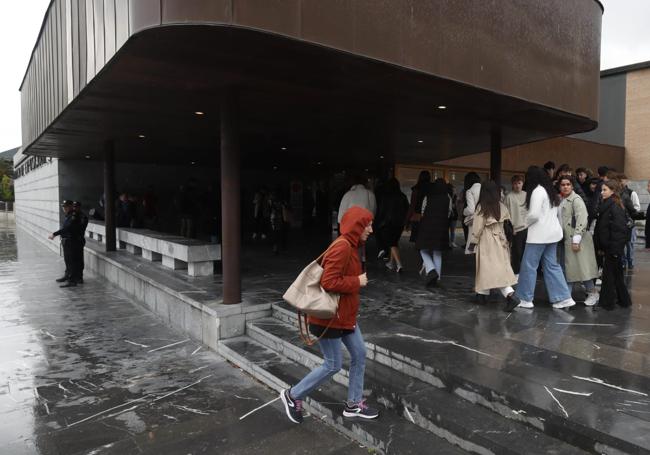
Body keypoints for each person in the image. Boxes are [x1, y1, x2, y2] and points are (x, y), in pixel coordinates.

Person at [280, 206, 379, 423]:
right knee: (332, 365)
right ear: (356, 226)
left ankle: (353, 404)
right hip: (330, 319)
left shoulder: (353, 246)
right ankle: (292, 395)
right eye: (367, 224)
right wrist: (357, 282)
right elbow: (328, 282)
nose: (371, 229)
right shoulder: (343, 247)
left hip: (345, 317)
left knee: (360, 354)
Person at [515, 166, 576, 309]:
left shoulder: (537, 191)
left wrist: (523, 225)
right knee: (552, 265)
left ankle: (525, 298)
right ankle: (563, 298)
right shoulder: (550, 191)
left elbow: (534, 215)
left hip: (539, 236)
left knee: (528, 266)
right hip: (552, 234)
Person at [467, 181, 519, 311]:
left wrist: (472, 243)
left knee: (489, 268)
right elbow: (508, 224)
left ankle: (510, 295)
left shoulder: (482, 207)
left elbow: (478, 228)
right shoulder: (501, 206)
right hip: (500, 240)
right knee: (493, 268)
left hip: (487, 240)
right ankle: (482, 294)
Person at [557, 177, 599, 306]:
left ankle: (592, 293)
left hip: (576, 239)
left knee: (582, 268)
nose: (565, 187)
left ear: (572, 186)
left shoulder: (576, 200)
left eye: (568, 184)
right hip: (567, 239)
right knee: (571, 269)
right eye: (563, 184)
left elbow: (582, 219)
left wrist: (576, 240)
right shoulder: (563, 200)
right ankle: (567, 296)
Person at [594, 179, 632, 309]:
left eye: (605, 190)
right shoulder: (607, 205)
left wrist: (615, 250)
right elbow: (603, 228)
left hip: (613, 248)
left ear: (613, 191)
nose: (602, 192)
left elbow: (619, 230)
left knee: (609, 276)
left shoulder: (615, 206)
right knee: (616, 275)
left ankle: (607, 303)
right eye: (601, 190)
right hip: (609, 247)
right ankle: (624, 301)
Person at [416, 178, 452, 287]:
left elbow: (422, 211)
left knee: (422, 249)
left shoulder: (428, 196)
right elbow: (449, 212)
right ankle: (438, 278)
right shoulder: (448, 197)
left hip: (427, 225)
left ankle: (431, 270)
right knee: (437, 252)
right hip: (442, 227)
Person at [375, 178, 408, 272]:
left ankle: (399, 264)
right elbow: (407, 209)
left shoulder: (386, 196)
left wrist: (378, 221)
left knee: (392, 243)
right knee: (394, 242)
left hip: (388, 223)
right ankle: (391, 263)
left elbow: (382, 210)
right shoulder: (403, 196)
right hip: (400, 223)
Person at [48, 200, 83, 288]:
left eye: (66, 206)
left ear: (71, 206)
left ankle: (72, 280)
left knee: (72, 261)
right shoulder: (69, 215)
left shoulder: (73, 216)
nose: (64, 208)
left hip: (72, 241)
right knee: (67, 260)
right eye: (63, 207)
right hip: (67, 241)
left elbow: (67, 228)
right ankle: (67, 276)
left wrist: (54, 234)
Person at [504, 175, 527, 275]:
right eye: (515, 183)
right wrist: (510, 227)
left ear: (522, 183)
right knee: (516, 252)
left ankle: (525, 272)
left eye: (519, 183)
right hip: (516, 229)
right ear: (512, 185)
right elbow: (505, 214)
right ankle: (516, 273)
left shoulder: (527, 195)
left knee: (526, 252)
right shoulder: (509, 197)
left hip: (527, 227)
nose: (517, 185)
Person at [404, 170, 431, 246]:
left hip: (418, 217)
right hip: (430, 216)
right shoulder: (432, 188)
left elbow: (412, 205)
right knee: (428, 241)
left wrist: (407, 220)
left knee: (418, 241)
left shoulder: (416, 189)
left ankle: (423, 255)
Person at [462, 172, 481, 254]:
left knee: (473, 246)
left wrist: (463, 212)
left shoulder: (470, 191)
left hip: (475, 222)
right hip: (486, 220)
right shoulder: (484, 188)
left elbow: (470, 209)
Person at [72, 201, 89, 284]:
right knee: (73, 259)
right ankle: (73, 276)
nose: (74, 208)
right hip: (73, 240)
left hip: (79, 240)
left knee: (79, 259)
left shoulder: (83, 217)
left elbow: (80, 228)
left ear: (79, 207)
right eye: (73, 207)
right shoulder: (73, 215)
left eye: (76, 207)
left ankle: (80, 277)